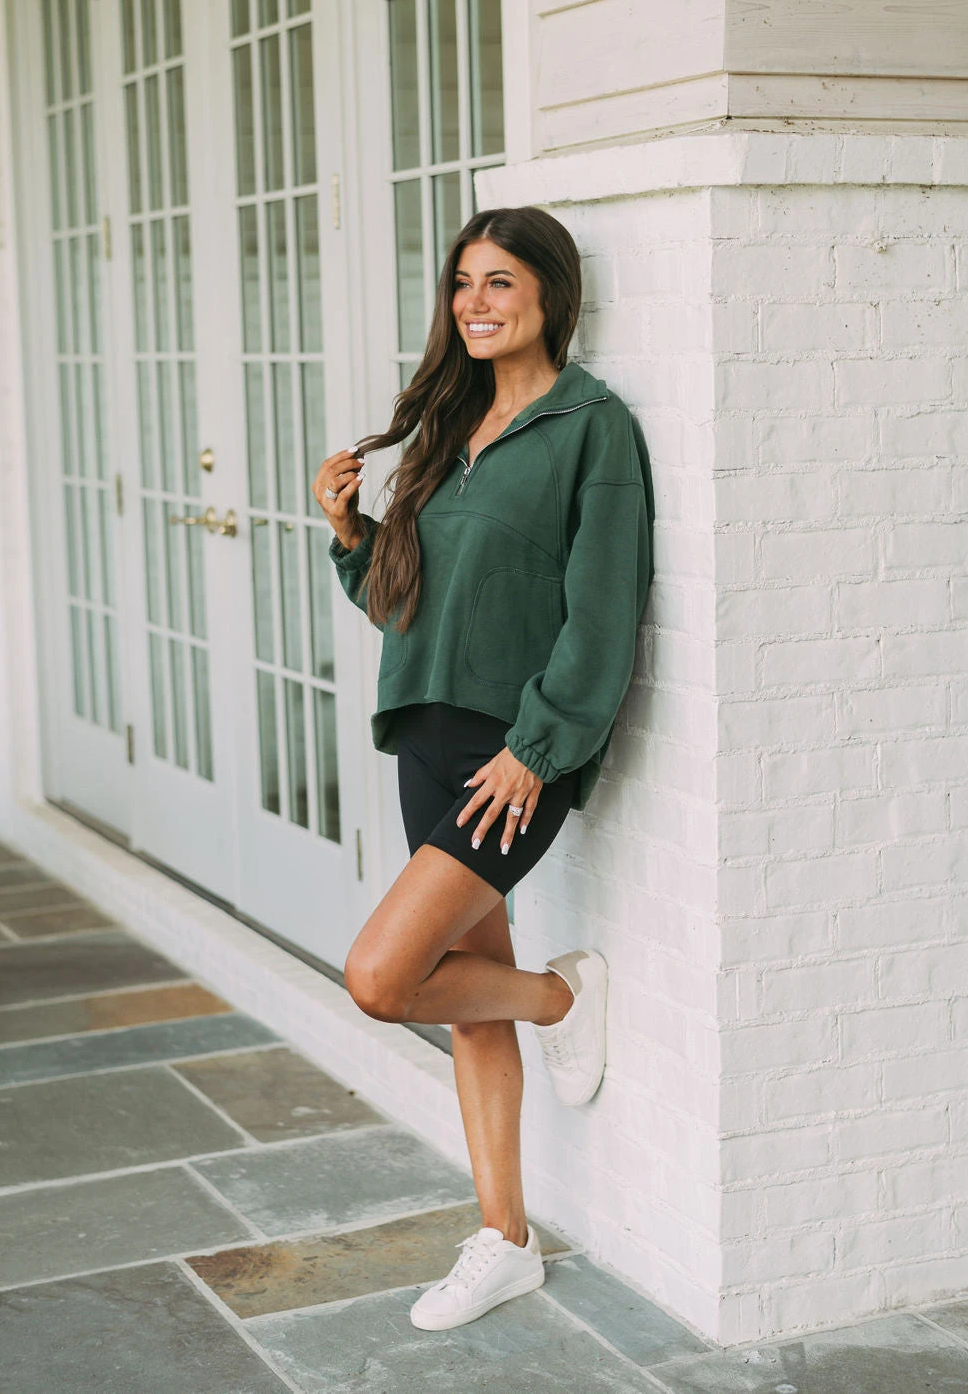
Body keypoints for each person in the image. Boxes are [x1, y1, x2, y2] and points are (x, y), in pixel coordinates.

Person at [312, 205, 653, 1332]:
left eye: (500, 281)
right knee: (467, 996)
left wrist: (538, 748)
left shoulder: (591, 428)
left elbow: (601, 615)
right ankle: (505, 1238)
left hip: (513, 753)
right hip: (427, 733)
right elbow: (408, 606)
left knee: (382, 977)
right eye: (463, 283)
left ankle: (562, 997)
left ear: (551, 292)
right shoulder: (448, 428)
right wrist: (353, 535)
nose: (474, 303)